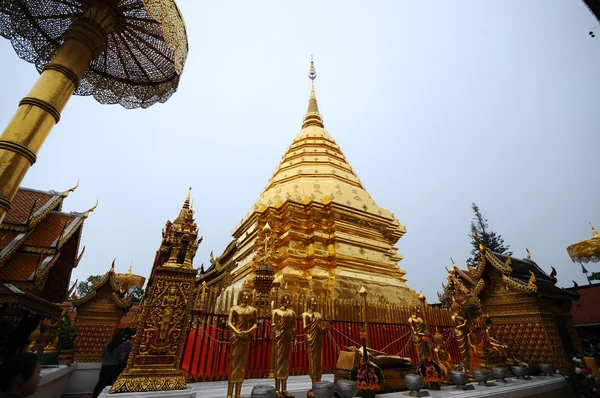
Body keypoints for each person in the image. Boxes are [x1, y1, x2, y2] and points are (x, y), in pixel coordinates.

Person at [92, 332, 124, 398]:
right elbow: (120, 358)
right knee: (110, 383)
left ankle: (95, 396)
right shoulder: (120, 346)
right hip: (113, 367)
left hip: (105, 366)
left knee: (100, 382)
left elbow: (103, 355)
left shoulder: (108, 344)